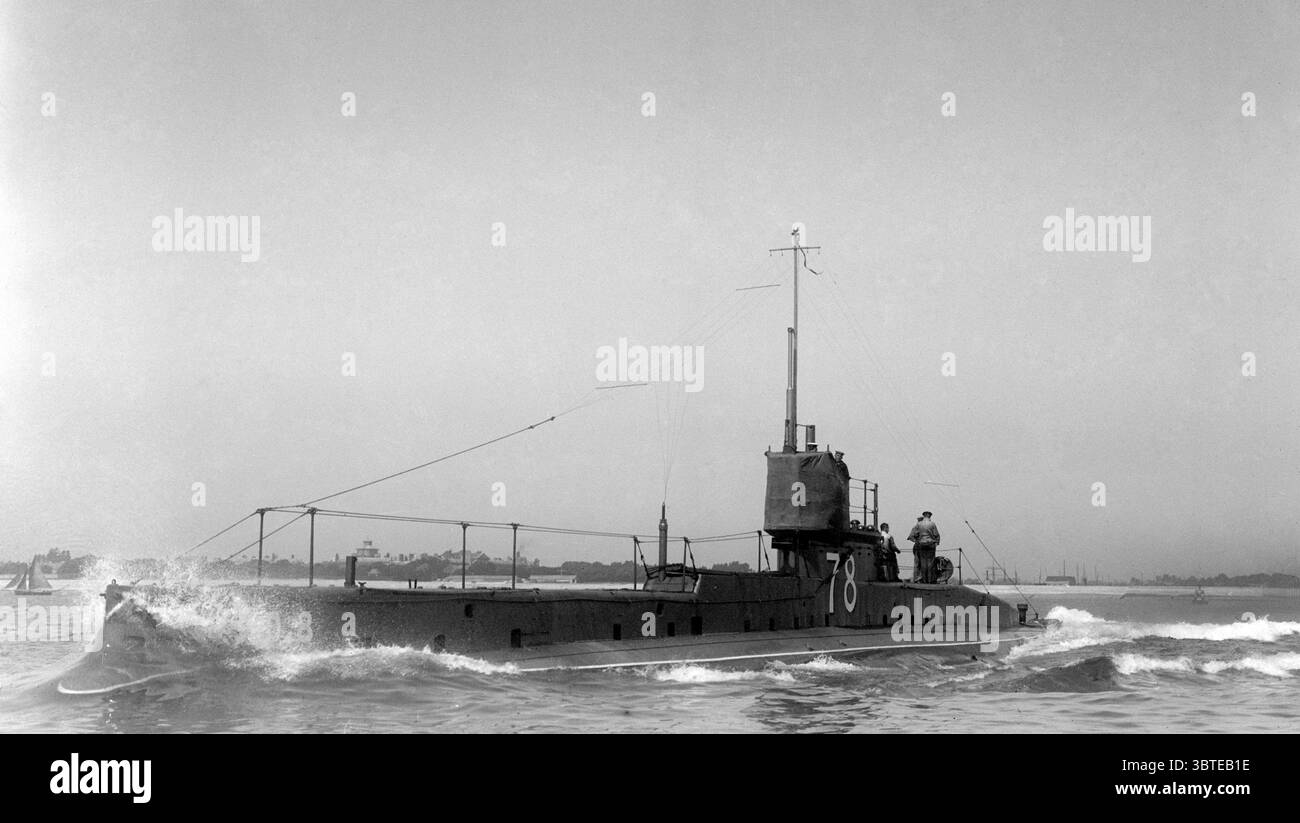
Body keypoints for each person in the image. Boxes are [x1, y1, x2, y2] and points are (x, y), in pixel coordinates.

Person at [907, 511, 941, 583]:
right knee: (930, 563)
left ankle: (924, 580)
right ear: (929, 516)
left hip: (921, 545)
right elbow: (937, 535)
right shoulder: (932, 524)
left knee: (922, 563)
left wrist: (917, 541)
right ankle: (930, 580)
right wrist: (937, 542)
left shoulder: (918, 524)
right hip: (931, 544)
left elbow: (911, 536)